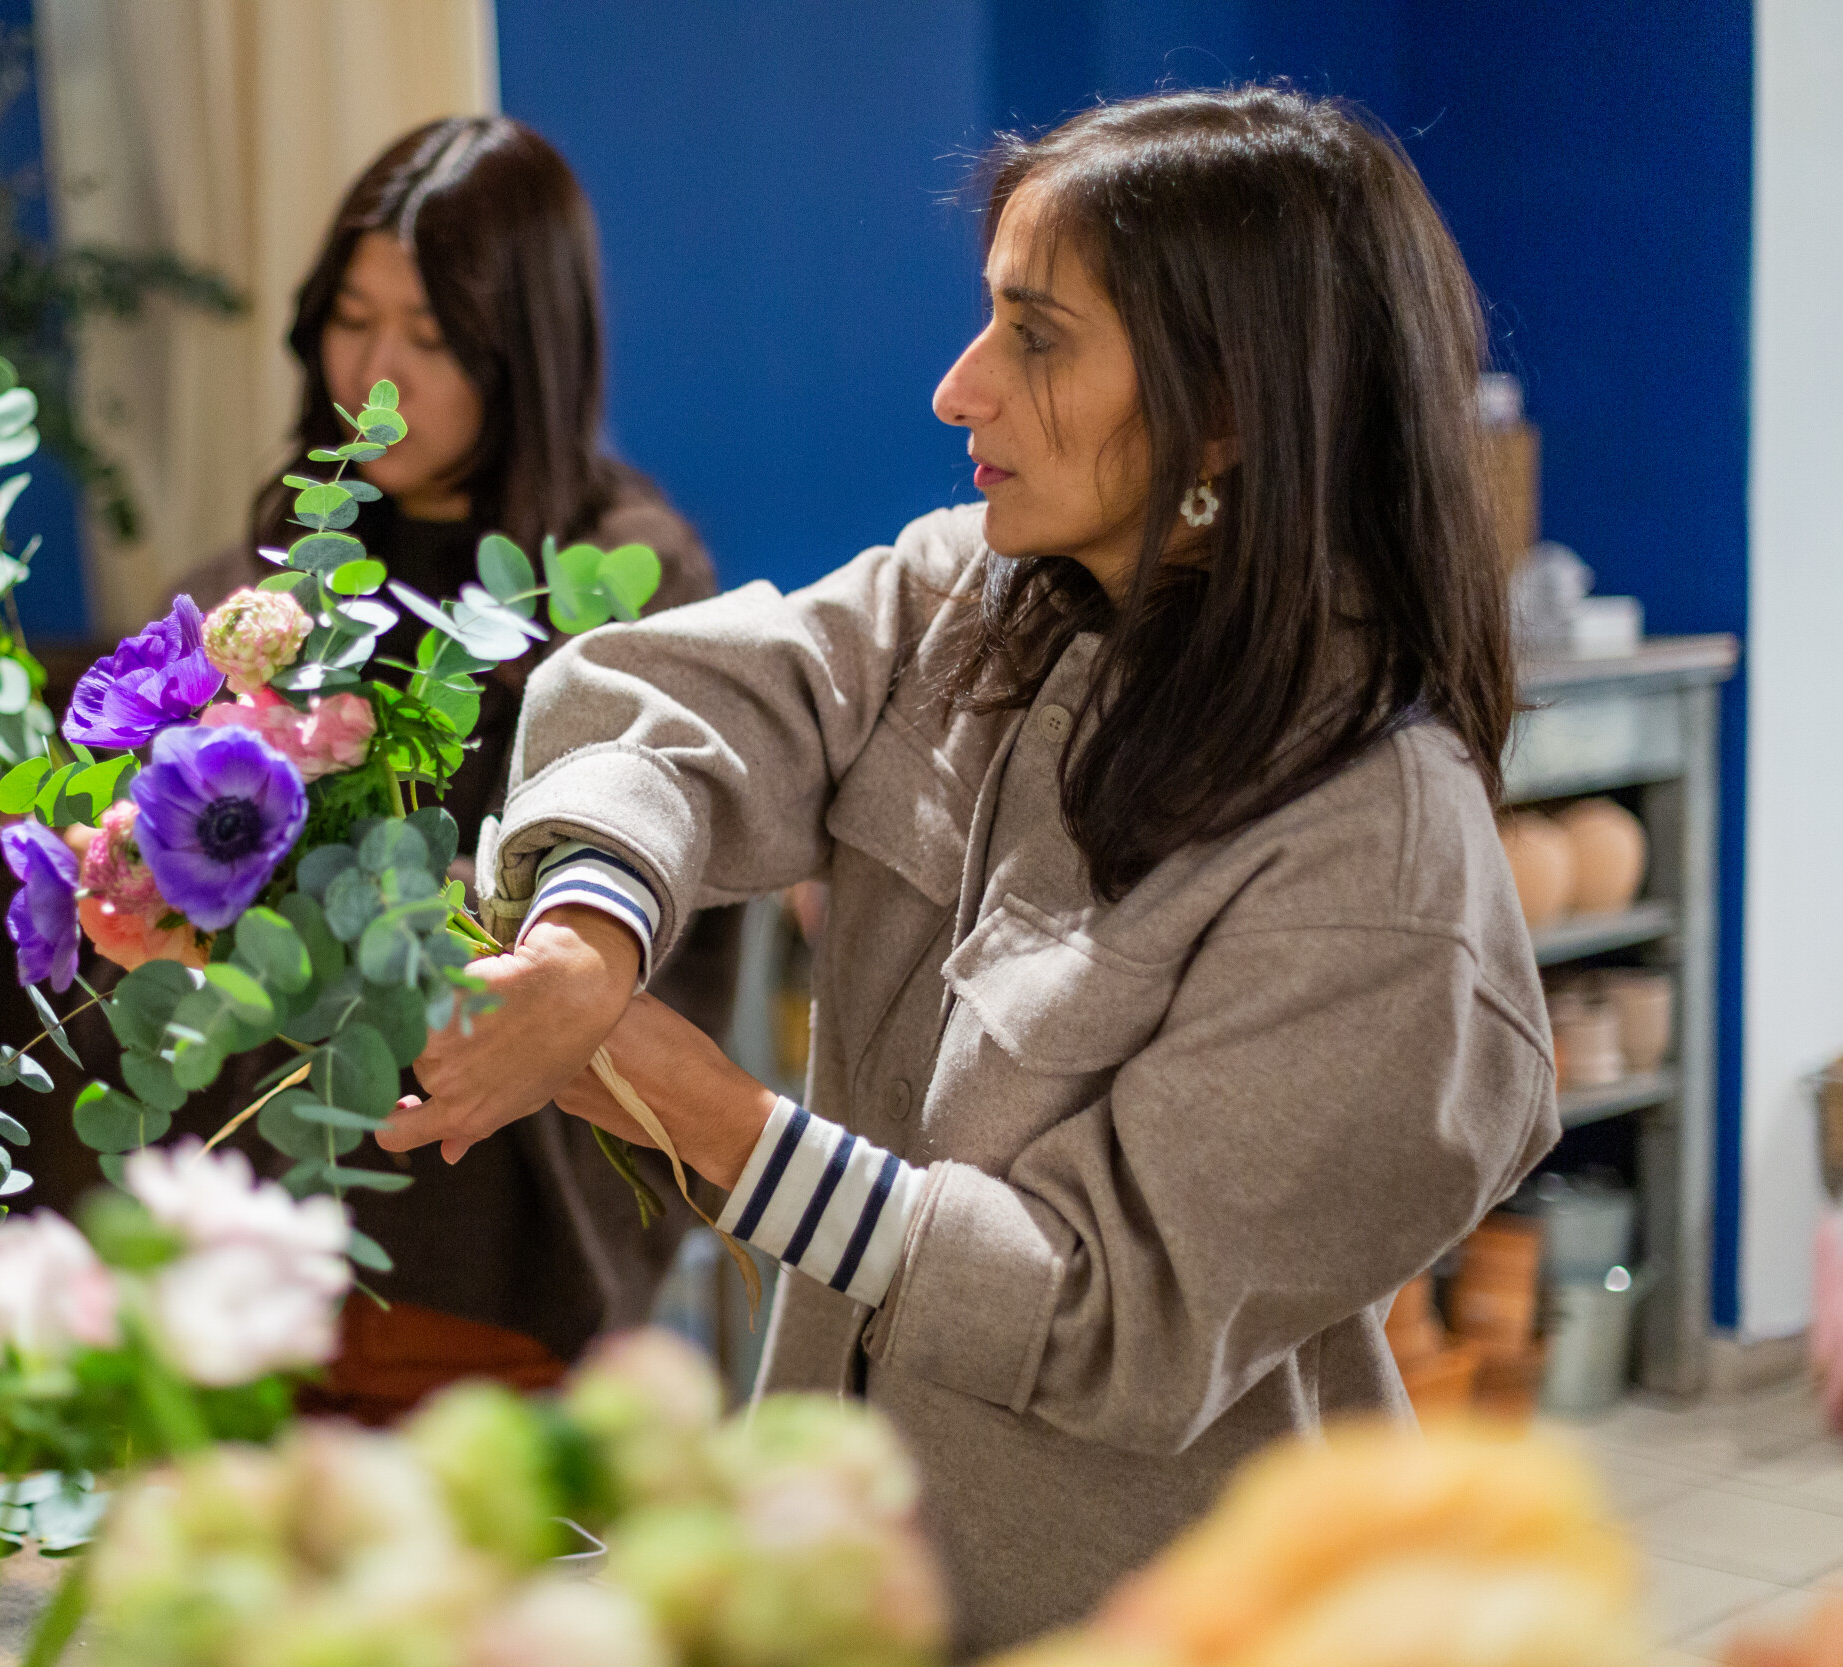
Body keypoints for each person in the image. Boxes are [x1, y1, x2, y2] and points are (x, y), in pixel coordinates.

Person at [387, 87, 1557, 1652]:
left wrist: (729, 1128)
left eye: (1038, 336)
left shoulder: (1379, 849)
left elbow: (1112, 1317)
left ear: (1227, 410)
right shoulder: (977, 602)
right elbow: (670, 699)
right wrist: (592, 934)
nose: (959, 390)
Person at [179, 117, 729, 1417]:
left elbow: (630, 913)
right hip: (260, 1216)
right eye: (350, 321)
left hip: (509, 1221)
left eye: (430, 339)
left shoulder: (629, 569)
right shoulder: (279, 559)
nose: (375, 373)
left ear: (524, 348)